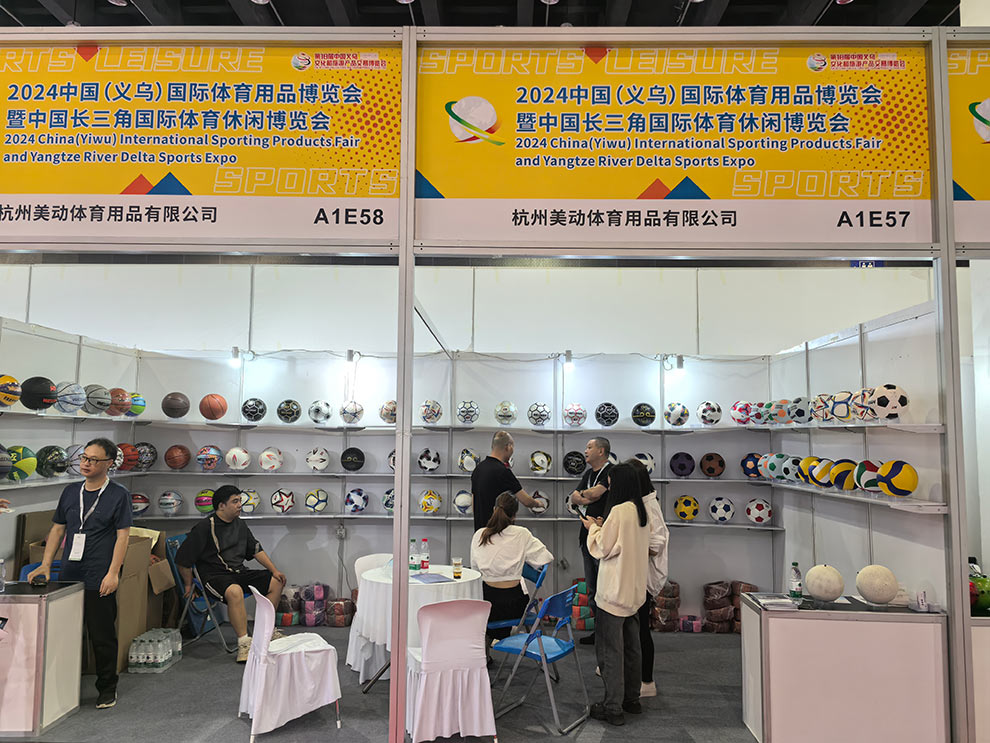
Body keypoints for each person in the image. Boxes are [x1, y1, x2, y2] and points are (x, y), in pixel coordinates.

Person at [27, 438, 132, 709]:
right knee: (66, 634)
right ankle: (65, 688)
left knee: (101, 635)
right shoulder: (71, 491)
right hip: (69, 573)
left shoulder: (118, 494)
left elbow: (123, 537)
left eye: (94, 460)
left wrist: (113, 573)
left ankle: (107, 688)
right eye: (84, 458)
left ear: (109, 464)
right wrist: (46, 564)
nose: (86, 463)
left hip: (99, 574)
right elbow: (58, 529)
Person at [174, 485, 287, 663]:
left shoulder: (240, 524)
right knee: (235, 591)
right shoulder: (204, 527)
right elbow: (182, 561)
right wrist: (189, 584)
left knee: (276, 582)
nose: (240, 505)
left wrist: (274, 570)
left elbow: (256, 550)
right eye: (235, 501)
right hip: (213, 577)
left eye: (240, 500)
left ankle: (266, 633)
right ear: (221, 506)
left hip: (238, 573)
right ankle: (244, 644)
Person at [581, 462, 649, 727]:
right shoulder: (640, 510)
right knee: (632, 648)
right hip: (633, 591)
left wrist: (592, 528)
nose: (609, 488)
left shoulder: (619, 511)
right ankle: (632, 699)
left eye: (610, 483)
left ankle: (612, 707)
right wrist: (602, 526)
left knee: (610, 652)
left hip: (613, 593)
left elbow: (603, 547)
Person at [470, 492, 553, 650]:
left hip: (488, 607)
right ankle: (507, 637)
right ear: (514, 515)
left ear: (494, 510)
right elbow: (546, 558)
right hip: (516, 607)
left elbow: (475, 571)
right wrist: (521, 563)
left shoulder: (479, 535)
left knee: (482, 608)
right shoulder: (522, 533)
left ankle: (486, 652)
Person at [627, 457, 669, 698]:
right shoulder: (640, 502)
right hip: (636, 576)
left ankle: (647, 680)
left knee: (641, 629)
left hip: (644, 579)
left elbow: (655, 545)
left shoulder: (649, 506)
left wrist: (627, 543)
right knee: (631, 628)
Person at [568, 437, 612, 645]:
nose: (585, 451)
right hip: (586, 538)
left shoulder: (611, 471)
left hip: (603, 538)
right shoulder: (588, 474)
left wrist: (586, 495)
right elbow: (574, 497)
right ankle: (599, 633)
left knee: (604, 589)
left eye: (589, 447)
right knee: (593, 589)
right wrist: (588, 496)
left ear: (601, 451)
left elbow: (595, 493)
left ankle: (608, 635)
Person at [470, 431, 539, 531]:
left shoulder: (478, 469)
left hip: (481, 533)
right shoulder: (503, 472)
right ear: (508, 447)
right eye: (513, 447)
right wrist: (538, 503)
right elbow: (526, 501)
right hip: (499, 533)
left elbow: (474, 505)